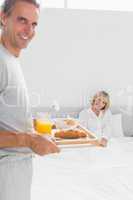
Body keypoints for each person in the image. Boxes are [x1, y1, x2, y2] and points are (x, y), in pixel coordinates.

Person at [0, 0, 60, 200]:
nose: (29, 30)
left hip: (17, 172)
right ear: (3, 17)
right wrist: (27, 139)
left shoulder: (11, 59)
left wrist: (31, 127)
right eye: (22, 20)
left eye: (34, 24)